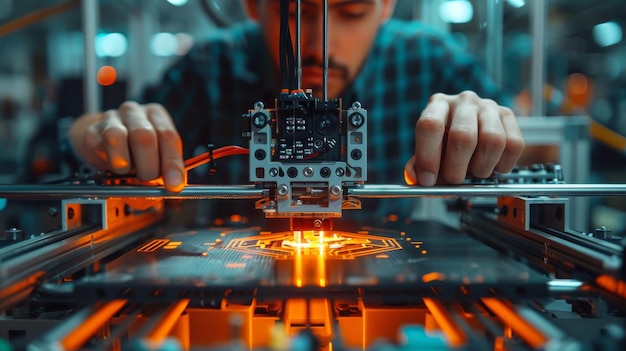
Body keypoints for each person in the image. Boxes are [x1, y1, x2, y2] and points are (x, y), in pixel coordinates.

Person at [69, 0, 525, 201]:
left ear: (386, 5)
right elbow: (91, 148)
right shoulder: (210, 69)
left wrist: (486, 128)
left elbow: (534, 149)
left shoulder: (428, 60)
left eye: (350, 12)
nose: (318, 49)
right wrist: (94, 134)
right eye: (294, 12)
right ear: (253, 5)